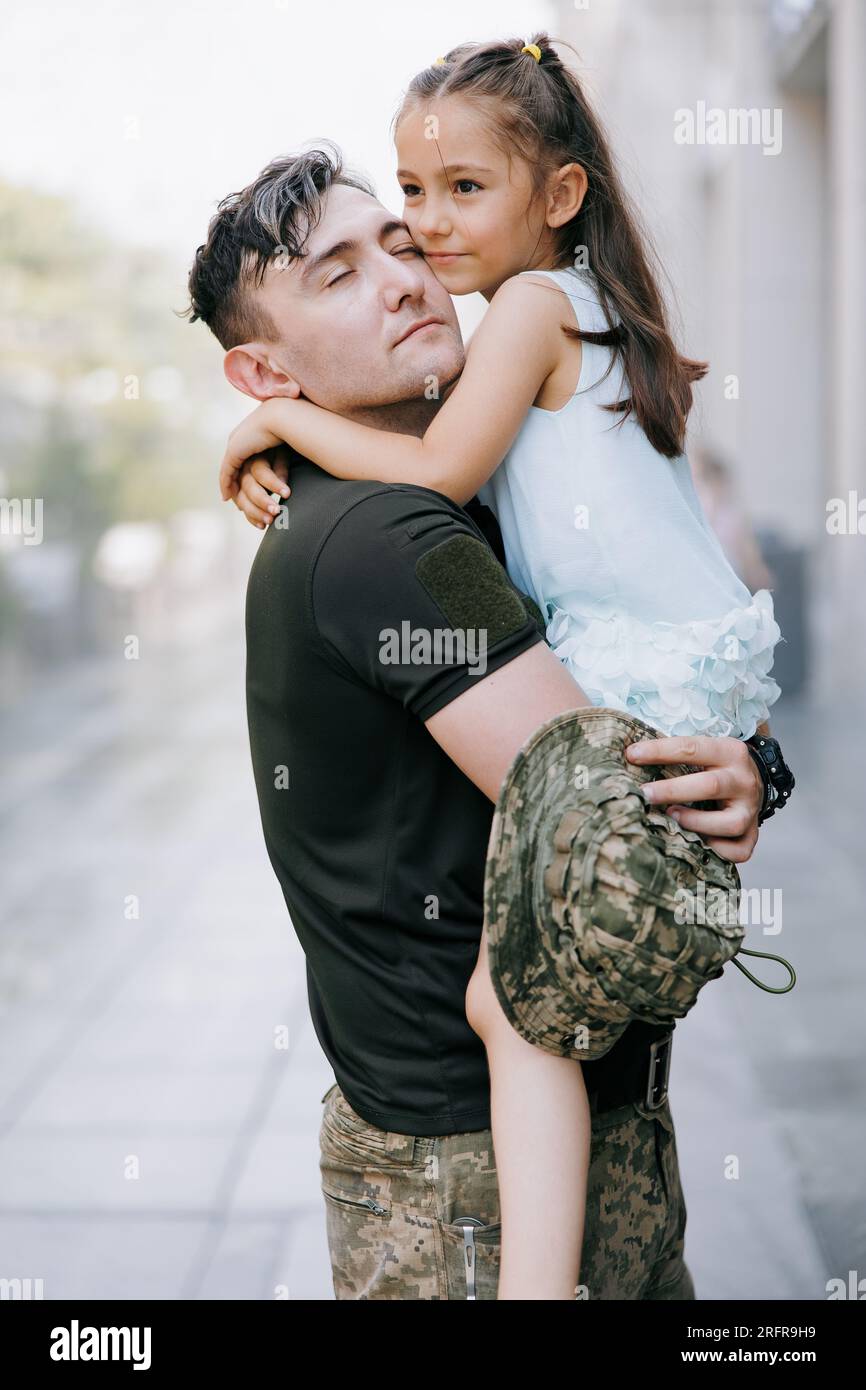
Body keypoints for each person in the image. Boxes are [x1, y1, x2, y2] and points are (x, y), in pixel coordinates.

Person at [213, 36, 781, 1298]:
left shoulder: (468, 429)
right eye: (342, 271)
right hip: (462, 1180)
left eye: (410, 231)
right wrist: (282, 426)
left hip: (578, 1130)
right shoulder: (385, 535)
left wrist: (752, 772)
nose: (409, 265)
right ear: (261, 363)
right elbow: (604, 805)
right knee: (507, 1005)